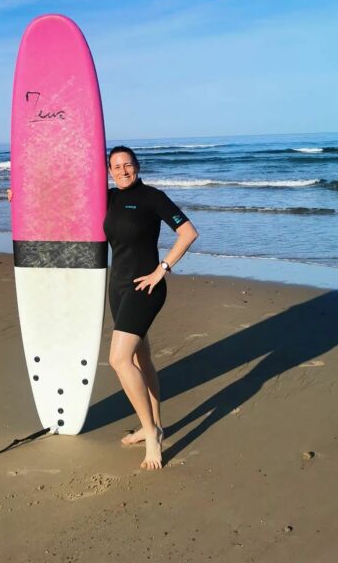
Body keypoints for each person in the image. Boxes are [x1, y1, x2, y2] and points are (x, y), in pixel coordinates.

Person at [104, 145, 198, 470]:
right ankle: (155, 425)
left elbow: (188, 233)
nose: (122, 171)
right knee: (141, 357)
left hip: (146, 288)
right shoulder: (108, 199)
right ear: (109, 170)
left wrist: (162, 269)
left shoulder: (152, 197)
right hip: (116, 289)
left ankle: (151, 435)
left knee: (118, 359)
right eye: (116, 166)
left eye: (127, 165)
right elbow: (64, 201)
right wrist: (19, 196)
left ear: (137, 166)